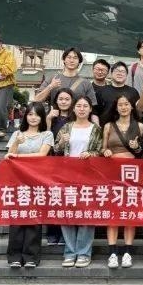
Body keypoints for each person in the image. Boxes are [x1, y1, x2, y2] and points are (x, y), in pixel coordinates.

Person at [102, 95, 143, 268]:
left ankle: (127, 252)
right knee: (113, 213)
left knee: (129, 213)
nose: (123, 107)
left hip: (132, 175)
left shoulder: (139, 126)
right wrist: (105, 151)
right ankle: (112, 252)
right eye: (120, 104)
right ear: (116, 107)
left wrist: (136, 148)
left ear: (132, 107)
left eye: (126, 104)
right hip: (113, 174)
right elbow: (102, 148)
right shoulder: (108, 126)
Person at [54, 96, 103, 268]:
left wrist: (91, 154)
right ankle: (70, 252)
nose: (82, 109)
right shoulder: (66, 127)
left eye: (85, 106)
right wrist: (62, 142)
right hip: (67, 175)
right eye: (79, 106)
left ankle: (83, 252)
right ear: (74, 109)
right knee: (67, 213)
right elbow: (56, 149)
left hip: (88, 176)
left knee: (86, 213)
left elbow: (101, 151)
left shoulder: (96, 129)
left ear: (90, 109)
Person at [4, 102, 53, 268]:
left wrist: (18, 157)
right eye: (30, 114)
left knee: (34, 215)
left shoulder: (47, 134)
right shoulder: (17, 133)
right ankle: (15, 256)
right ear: (25, 116)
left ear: (42, 118)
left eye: (37, 115)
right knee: (17, 216)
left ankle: (31, 256)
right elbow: (9, 155)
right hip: (17, 179)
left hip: (37, 179)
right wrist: (17, 143)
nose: (33, 118)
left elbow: (42, 154)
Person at [34, 48, 97, 124]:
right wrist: (50, 86)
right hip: (54, 122)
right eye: (69, 57)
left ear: (79, 62)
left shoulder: (86, 83)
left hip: (77, 123)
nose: (71, 60)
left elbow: (92, 107)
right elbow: (37, 100)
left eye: (75, 58)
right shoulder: (52, 79)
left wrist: (95, 125)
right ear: (64, 60)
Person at [45, 87, 75, 246]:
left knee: (68, 199)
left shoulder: (76, 117)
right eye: (61, 99)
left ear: (72, 101)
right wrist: (49, 119)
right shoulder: (51, 116)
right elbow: (45, 137)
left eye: (67, 99)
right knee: (54, 198)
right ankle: (52, 232)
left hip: (70, 163)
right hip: (53, 162)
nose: (63, 102)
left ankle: (65, 234)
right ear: (56, 101)